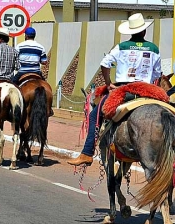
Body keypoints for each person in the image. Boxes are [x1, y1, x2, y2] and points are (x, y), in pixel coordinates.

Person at [68, 13, 162, 166]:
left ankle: (87, 153)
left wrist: (108, 83)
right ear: (144, 31)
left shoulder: (121, 47)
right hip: (147, 91)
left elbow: (105, 64)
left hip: (125, 90)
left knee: (94, 115)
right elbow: (158, 74)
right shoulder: (154, 49)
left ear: (131, 32)